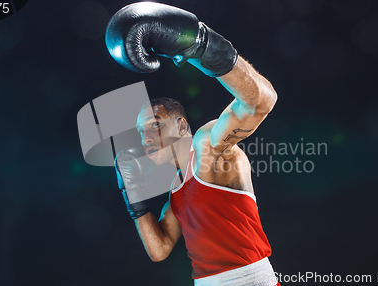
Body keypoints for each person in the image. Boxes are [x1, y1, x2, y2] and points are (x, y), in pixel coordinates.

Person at [107, 2, 279, 285]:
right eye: (140, 132)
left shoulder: (207, 148)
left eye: (155, 124)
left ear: (182, 126)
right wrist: (134, 197)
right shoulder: (175, 195)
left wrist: (200, 46)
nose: (146, 138)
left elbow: (261, 101)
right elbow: (159, 250)